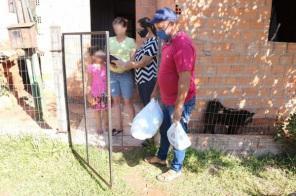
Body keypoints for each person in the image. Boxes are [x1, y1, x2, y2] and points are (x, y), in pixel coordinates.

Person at [144, 7, 197, 182]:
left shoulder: (182, 44)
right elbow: (164, 70)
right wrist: (155, 89)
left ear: (173, 24)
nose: (158, 32)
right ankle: (161, 157)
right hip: (166, 99)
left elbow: (184, 77)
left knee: (177, 133)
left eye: (161, 28)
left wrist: (179, 106)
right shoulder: (168, 43)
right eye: (157, 28)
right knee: (165, 129)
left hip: (179, 101)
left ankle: (176, 168)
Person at [113, 17, 159, 146]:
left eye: (140, 29)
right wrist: (122, 63)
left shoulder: (154, 42)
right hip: (142, 80)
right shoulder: (146, 42)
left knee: (150, 109)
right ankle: (150, 137)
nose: (139, 31)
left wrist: (126, 65)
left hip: (149, 80)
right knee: (146, 107)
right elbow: (134, 59)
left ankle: (153, 139)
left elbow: (143, 63)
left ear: (148, 28)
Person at [109, 17, 136, 136]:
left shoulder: (131, 42)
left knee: (128, 101)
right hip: (112, 74)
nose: (116, 31)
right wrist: (109, 62)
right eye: (115, 29)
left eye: (118, 29)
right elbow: (106, 56)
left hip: (126, 74)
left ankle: (134, 128)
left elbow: (133, 60)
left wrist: (124, 65)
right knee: (115, 102)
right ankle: (118, 127)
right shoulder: (109, 40)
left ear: (125, 28)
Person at [87, 50, 108, 135]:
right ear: (94, 57)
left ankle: (106, 125)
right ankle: (99, 127)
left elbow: (108, 79)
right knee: (97, 110)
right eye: (98, 56)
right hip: (95, 92)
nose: (100, 58)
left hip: (104, 91)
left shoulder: (106, 66)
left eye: (102, 56)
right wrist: (88, 92)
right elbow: (89, 80)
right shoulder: (90, 67)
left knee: (105, 109)